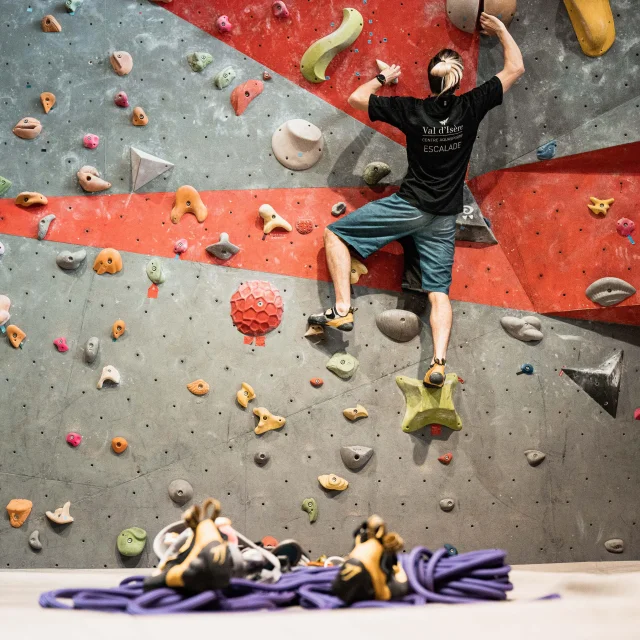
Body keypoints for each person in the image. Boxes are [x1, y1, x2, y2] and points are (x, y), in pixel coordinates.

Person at [308, 12, 524, 388]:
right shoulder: (471, 106)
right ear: (457, 81)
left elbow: (357, 98)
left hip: (409, 207)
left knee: (336, 235)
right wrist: (502, 30)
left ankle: (343, 310)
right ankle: (438, 362)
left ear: (429, 79)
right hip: (444, 217)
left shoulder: (411, 110)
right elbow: (516, 68)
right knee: (439, 292)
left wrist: (384, 79)